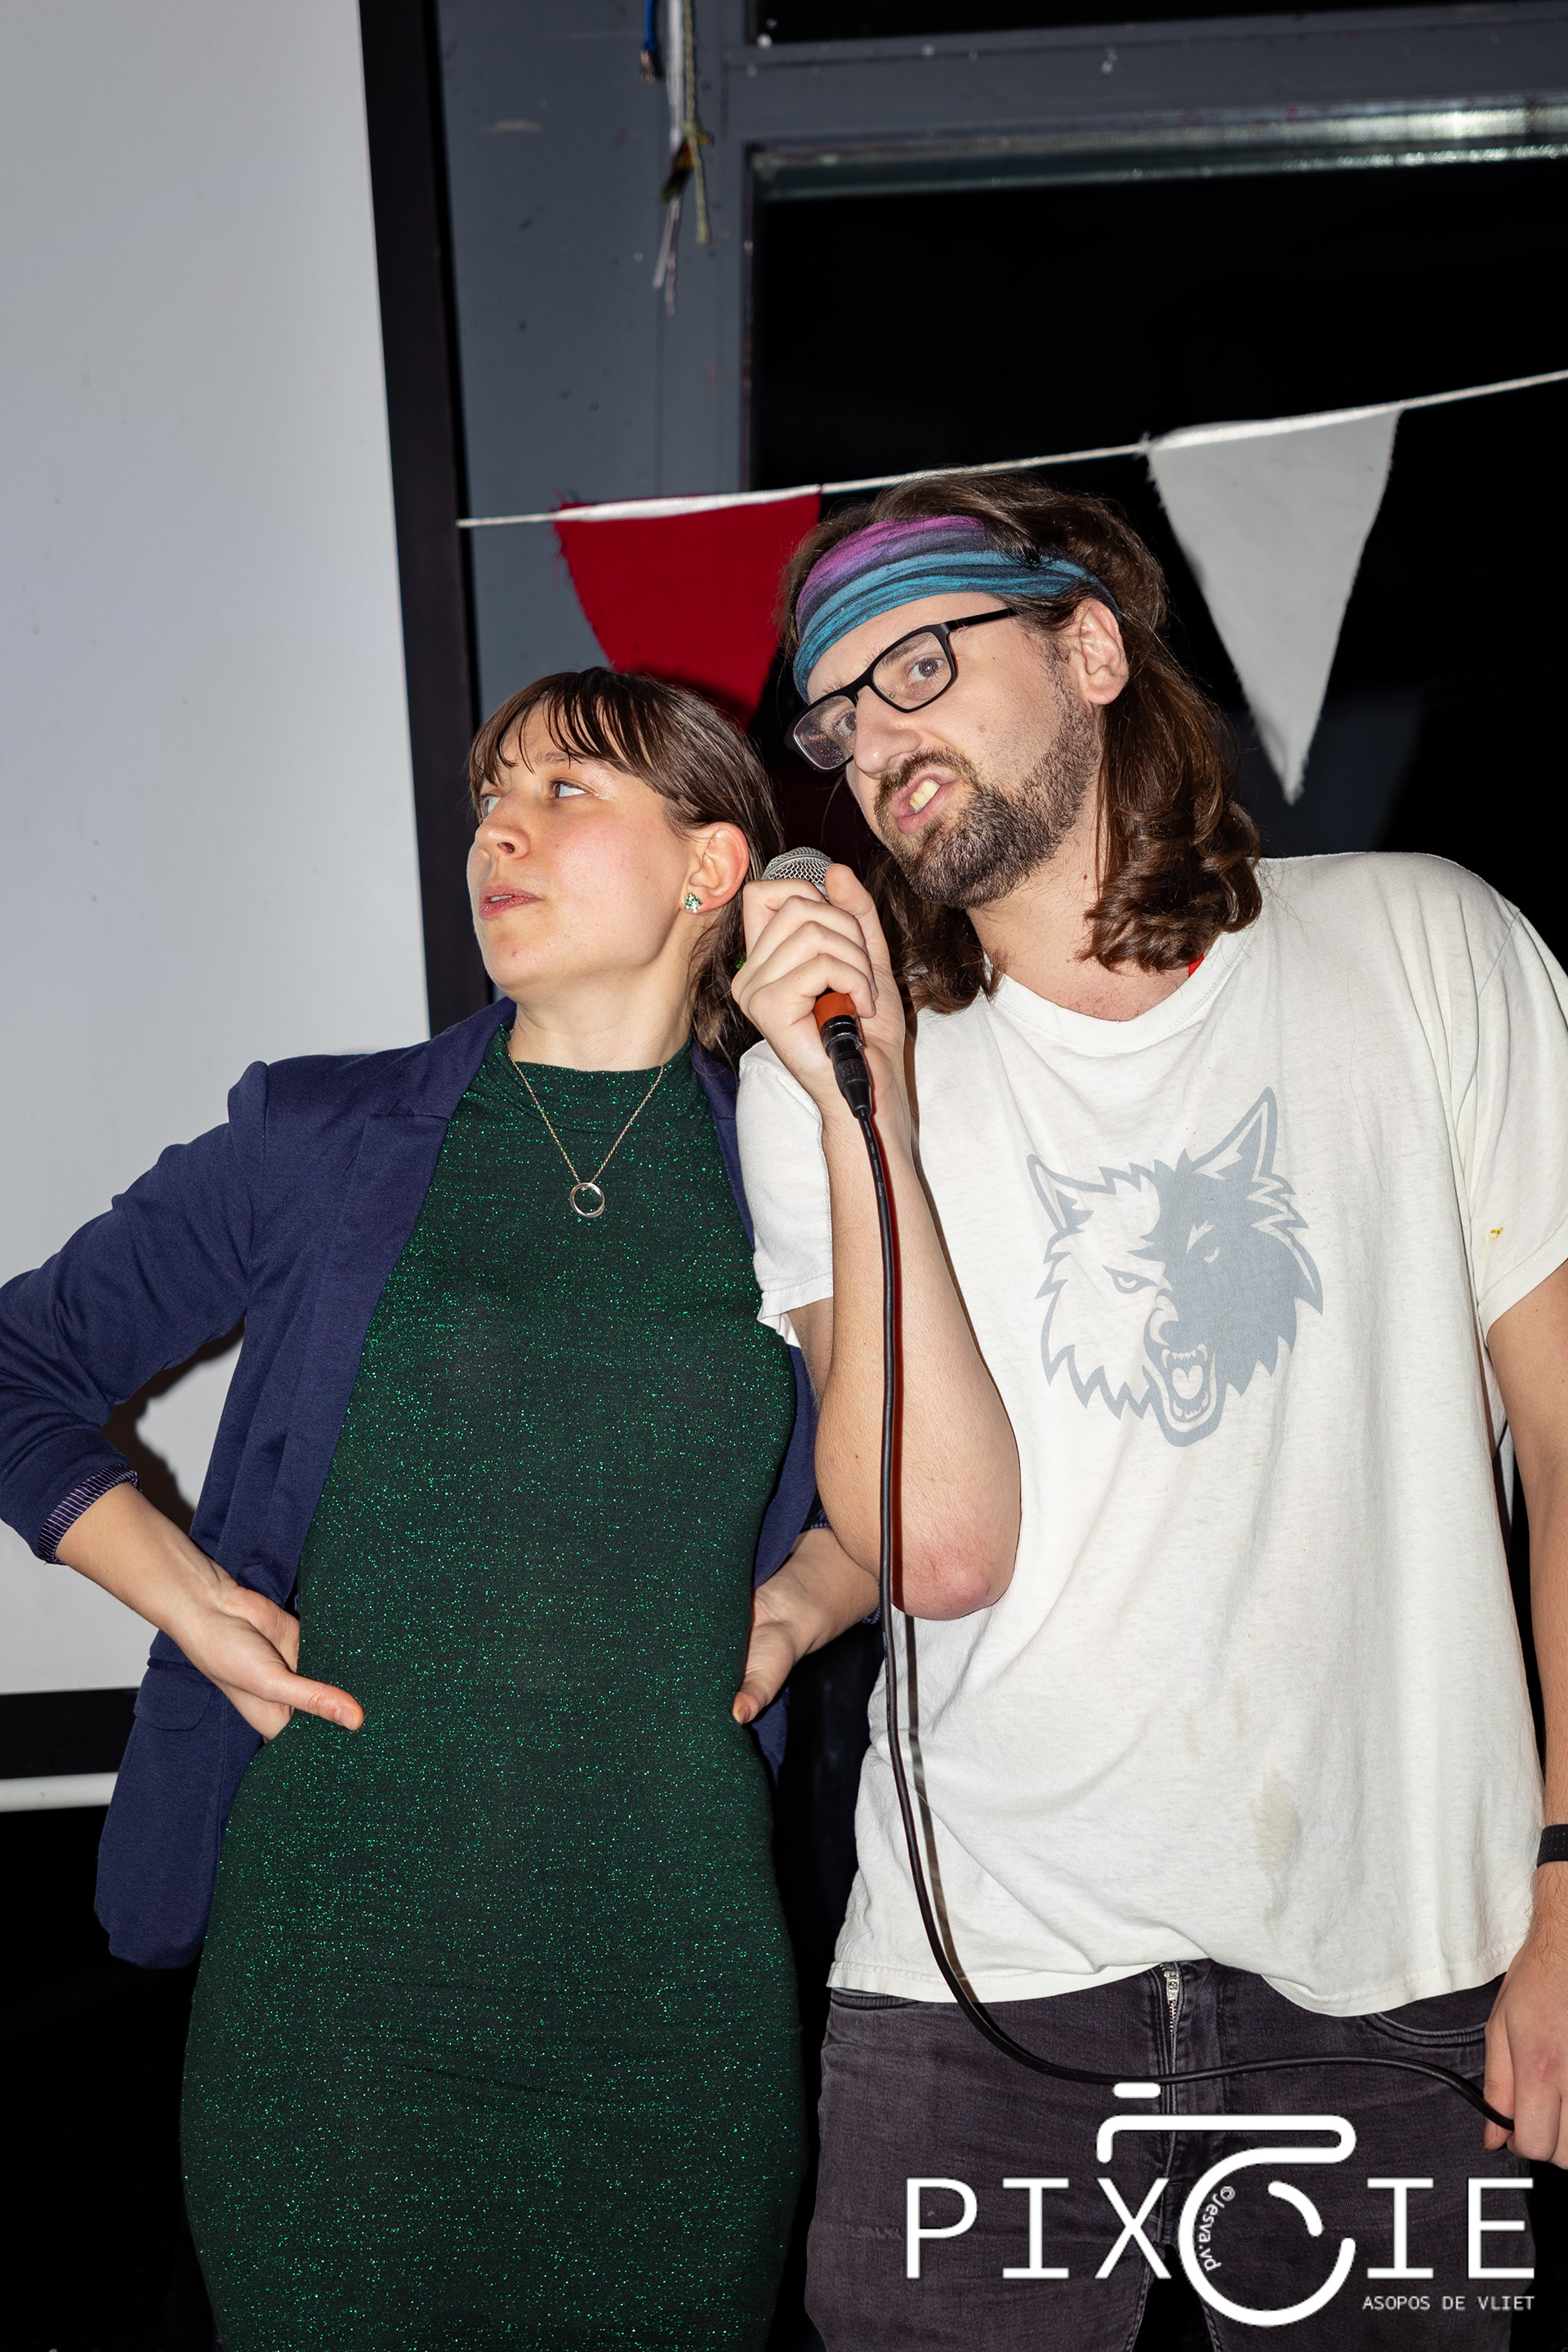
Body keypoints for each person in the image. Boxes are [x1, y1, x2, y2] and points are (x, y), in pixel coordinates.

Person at [729, 480, 1568, 2349]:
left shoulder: (1423, 948)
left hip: (1401, 1979)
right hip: (981, 1992)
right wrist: (872, 1114)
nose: (876, 739)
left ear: (1093, 648)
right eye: (839, 715)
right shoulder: (826, 1079)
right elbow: (936, 1546)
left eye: (920, 666)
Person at [0, 669, 877, 2351]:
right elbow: (18, 1362)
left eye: (565, 793)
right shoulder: (322, 1137)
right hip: (336, 2001)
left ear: (712, 869)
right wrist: (179, 1589)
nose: (498, 832)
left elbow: (907, 1500)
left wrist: (816, 1591)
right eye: (490, 799)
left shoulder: (794, 1168)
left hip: (671, 1993)